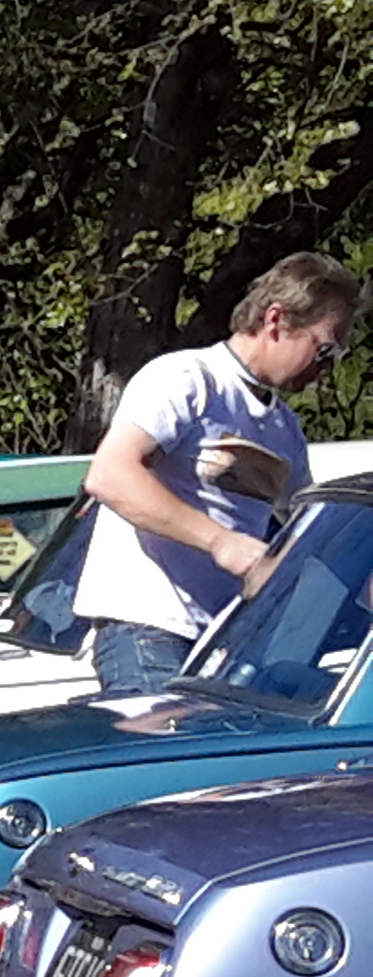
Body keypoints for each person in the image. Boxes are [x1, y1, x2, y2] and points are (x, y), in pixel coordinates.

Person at [77, 250, 363, 694]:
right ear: (276, 319)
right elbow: (109, 475)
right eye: (324, 348)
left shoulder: (284, 428)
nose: (326, 369)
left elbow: (311, 535)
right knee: (171, 742)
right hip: (149, 631)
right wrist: (222, 542)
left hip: (224, 646)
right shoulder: (187, 379)